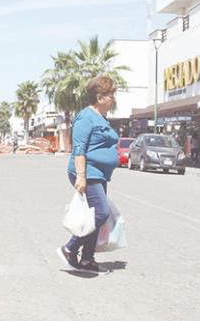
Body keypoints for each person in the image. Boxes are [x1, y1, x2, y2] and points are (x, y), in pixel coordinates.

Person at [57, 75, 119, 273]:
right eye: (111, 95)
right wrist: (81, 176)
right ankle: (70, 247)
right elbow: (79, 149)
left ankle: (87, 260)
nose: (114, 99)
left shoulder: (101, 117)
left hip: (100, 174)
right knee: (101, 212)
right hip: (87, 172)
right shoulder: (86, 117)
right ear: (99, 97)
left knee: (94, 215)